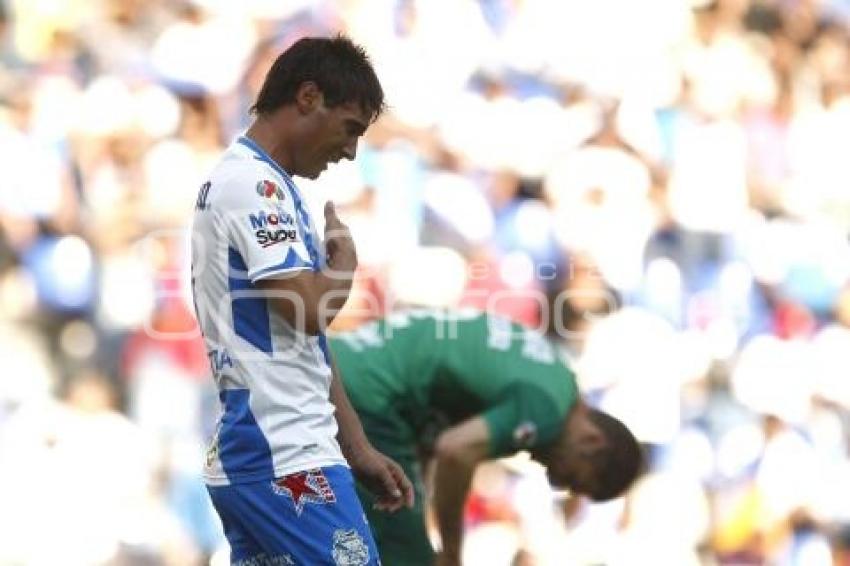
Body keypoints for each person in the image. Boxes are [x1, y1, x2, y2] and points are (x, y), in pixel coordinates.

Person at [190, 35, 413, 566]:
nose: (350, 150)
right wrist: (344, 267)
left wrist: (355, 447)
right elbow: (308, 309)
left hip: (274, 449)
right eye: (350, 128)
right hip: (283, 455)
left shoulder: (264, 183)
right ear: (309, 97)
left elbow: (304, 341)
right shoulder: (253, 185)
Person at [329, 309, 643, 566]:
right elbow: (454, 450)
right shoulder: (545, 409)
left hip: (350, 366)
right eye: (572, 478)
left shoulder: (556, 375)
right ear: (591, 441)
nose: (555, 480)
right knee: (409, 557)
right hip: (372, 398)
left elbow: (432, 427)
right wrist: (452, 551)